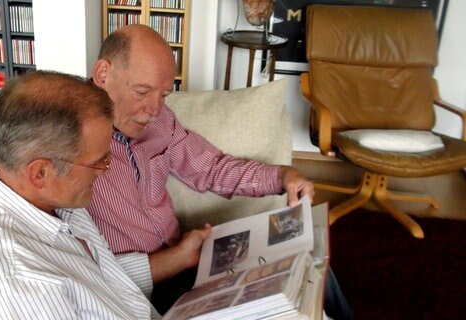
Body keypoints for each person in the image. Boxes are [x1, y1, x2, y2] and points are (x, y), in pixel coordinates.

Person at [83, 24, 357, 317]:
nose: (154, 109)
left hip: (194, 258)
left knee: (308, 264)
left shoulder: (161, 121)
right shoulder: (66, 141)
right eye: (143, 91)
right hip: (141, 287)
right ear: (103, 74)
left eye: (163, 95)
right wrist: (175, 260)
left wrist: (281, 176)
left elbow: (211, 168)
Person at [0, 71, 162, 319]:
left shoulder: (51, 199)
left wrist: (182, 257)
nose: (107, 168)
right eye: (98, 161)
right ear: (40, 173)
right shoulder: (12, 281)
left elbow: (97, 279)